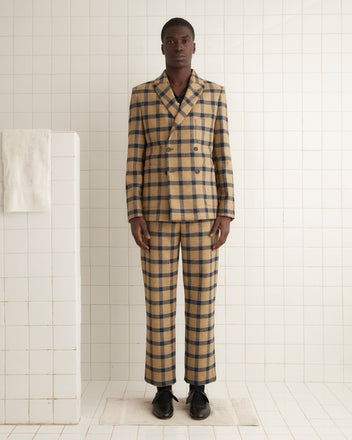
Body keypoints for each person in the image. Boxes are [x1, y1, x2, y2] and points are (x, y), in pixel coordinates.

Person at [125, 17, 235, 420]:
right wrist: (134, 211)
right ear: (162, 47)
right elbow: (133, 159)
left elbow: (222, 155)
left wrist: (227, 210)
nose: (178, 46)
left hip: (204, 214)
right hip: (155, 214)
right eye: (170, 41)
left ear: (194, 45)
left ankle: (199, 388)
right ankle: (162, 387)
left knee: (202, 302)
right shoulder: (142, 95)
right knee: (158, 303)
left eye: (184, 40)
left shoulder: (214, 95)